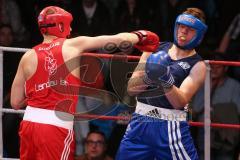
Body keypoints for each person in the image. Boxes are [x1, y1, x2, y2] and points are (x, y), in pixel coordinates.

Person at [10, 6, 159, 160]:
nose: (71, 28)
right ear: (61, 25)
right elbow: (118, 39)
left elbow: (15, 102)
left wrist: (42, 89)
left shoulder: (28, 56)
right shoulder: (72, 45)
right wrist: (141, 36)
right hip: (55, 126)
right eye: (69, 24)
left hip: (29, 124)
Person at [116, 8, 208, 160]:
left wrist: (164, 77)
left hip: (170, 127)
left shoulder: (198, 65)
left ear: (198, 34)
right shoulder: (153, 49)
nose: (183, 32)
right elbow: (131, 89)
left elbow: (180, 102)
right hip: (140, 122)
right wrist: (149, 76)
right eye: (181, 26)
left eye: (190, 29)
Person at [191, 53, 240, 160]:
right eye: (212, 67)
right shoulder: (202, 84)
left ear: (226, 68)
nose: (214, 70)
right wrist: (209, 87)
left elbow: (237, 111)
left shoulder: (234, 86)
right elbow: (196, 109)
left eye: (218, 67)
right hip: (204, 131)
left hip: (225, 133)